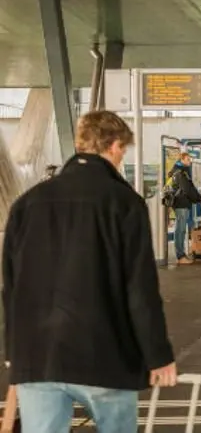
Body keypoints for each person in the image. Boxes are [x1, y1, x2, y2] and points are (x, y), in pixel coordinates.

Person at [2, 110, 176, 432]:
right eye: (123, 150)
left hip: (37, 356)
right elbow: (139, 288)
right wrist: (157, 354)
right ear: (115, 147)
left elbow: (10, 286)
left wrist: (14, 350)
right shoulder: (124, 203)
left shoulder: (27, 204)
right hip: (104, 353)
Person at [166, 151, 201, 265]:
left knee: (181, 229)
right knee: (180, 230)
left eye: (190, 159)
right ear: (181, 159)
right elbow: (187, 189)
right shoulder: (180, 172)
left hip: (181, 203)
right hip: (181, 203)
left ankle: (181, 254)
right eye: (187, 159)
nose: (189, 161)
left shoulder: (180, 171)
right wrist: (199, 199)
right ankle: (180, 256)